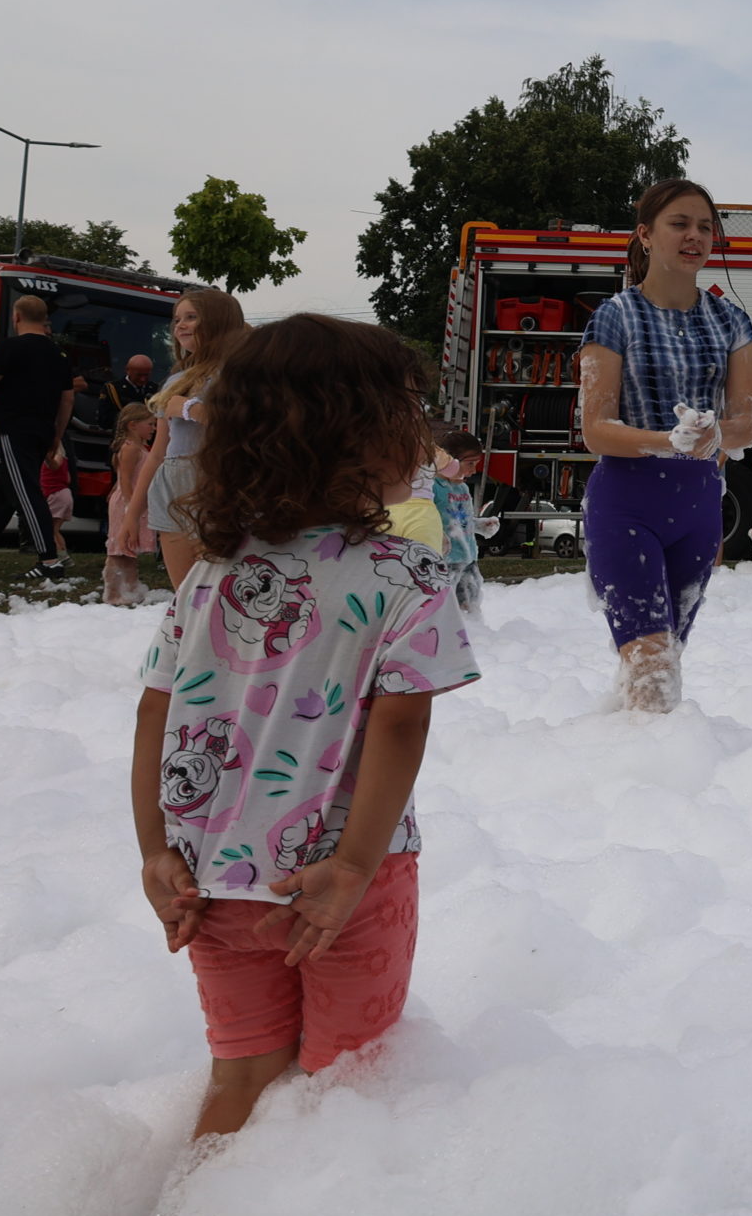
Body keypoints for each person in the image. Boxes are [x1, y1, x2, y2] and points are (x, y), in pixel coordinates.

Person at [128, 314, 481, 1141]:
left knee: (242, 1072)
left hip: (206, 874)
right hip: (345, 879)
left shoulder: (214, 572)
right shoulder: (407, 572)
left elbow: (155, 708)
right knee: (346, 1084)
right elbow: (401, 724)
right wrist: (354, 864)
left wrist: (154, 848)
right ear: (362, 434)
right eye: (407, 409)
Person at [576, 179, 752, 715]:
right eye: (679, 224)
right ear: (646, 235)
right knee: (652, 668)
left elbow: (747, 421)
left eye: (705, 227)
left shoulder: (731, 319)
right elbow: (595, 428)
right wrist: (668, 440)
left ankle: (640, 773)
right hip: (626, 505)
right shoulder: (614, 316)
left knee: (666, 662)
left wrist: (715, 434)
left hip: (699, 508)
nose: (695, 236)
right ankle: (634, 777)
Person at [118, 289, 249, 594]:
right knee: (186, 598)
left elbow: (245, 427)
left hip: (217, 485)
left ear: (218, 321)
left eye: (191, 317)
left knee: (220, 594)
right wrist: (132, 514)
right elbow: (157, 454)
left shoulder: (239, 374)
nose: (180, 325)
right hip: (171, 487)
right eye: (177, 319)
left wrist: (189, 408)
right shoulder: (177, 379)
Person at [0, 293, 80, 579]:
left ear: (16, 317)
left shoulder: (11, 348)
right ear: (44, 319)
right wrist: (55, 437)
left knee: (26, 493)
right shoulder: (59, 354)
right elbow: (67, 400)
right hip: (42, 431)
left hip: (12, 430)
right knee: (3, 498)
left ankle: (49, 562)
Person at [104, 402, 157, 607]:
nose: (153, 429)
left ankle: (131, 587)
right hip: (128, 502)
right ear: (133, 425)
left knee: (129, 550)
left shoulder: (139, 447)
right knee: (120, 549)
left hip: (135, 502)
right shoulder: (130, 448)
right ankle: (113, 592)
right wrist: (129, 507)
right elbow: (125, 480)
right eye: (150, 424)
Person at [434, 430, 489, 615]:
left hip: (469, 560)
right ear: (448, 460)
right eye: (470, 463)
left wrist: (479, 525)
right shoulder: (432, 487)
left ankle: (473, 639)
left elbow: (460, 520)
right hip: (445, 563)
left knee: (471, 609)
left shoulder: (462, 487)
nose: (473, 470)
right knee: (446, 612)